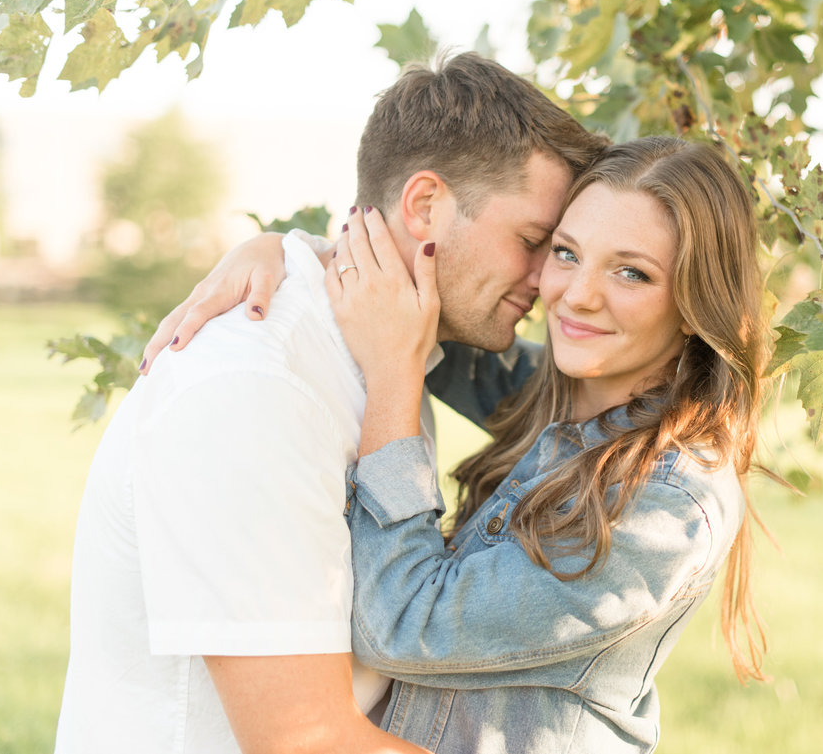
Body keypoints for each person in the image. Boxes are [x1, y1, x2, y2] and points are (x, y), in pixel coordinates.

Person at [53, 52, 606, 754]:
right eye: (534, 242)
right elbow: (304, 742)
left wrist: (293, 248)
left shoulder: (392, 350)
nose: (549, 281)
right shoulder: (256, 389)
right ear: (425, 205)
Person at [162, 136, 772, 753]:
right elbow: (414, 305)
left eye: (631, 271)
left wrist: (395, 380)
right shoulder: (555, 391)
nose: (576, 294)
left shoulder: (665, 506)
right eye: (564, 252)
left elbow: (403, 624)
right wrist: (286, 255)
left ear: (698, 301)